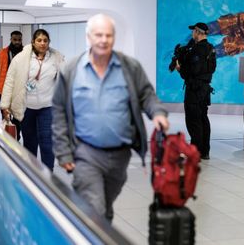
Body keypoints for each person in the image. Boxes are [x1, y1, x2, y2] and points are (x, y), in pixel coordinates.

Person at [52, 14, 169, 222]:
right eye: (98, 35)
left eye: (108, 35)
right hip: (85, 152)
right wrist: (63, 152)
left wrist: (158, 113)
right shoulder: (71, 69)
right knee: (94, 208)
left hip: (120, 155)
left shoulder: (129, 67)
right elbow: (59, 110)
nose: (103, 40)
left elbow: (146, 95)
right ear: (88, 37)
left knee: (104, 206)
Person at [0, 29, 64, 171]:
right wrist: (5, 105)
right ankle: (32, 175)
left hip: (47, 106)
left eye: (45, 40)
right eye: (39, 40)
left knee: (47, 143)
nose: (42, 43)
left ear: (49, 43)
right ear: (33, 42)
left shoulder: (56, 58)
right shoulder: (21, 58)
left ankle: (48, 177)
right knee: (30, 144)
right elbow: (10, 81)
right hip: (26, 107)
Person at [175, 22, 216, 160]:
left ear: (198, 32)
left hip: (195, 89)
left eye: (194, 31)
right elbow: (209, 70)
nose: (192, 33)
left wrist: (181, 69)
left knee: (194, 121)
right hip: (205, 90)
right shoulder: (210, 48)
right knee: (203, 118)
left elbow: (192, 71)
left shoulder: (197, 50)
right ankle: (205, 151)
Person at [0, 30, 23, 140]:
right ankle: (8, 135)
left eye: (19, 40)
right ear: (10, 39)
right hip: (5, 88)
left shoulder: (26, 53)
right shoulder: (3, 52)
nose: (17, 42)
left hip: (21, 89)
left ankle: (16, 136)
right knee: (5, 114)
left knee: (18, 115)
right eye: (15, 39)